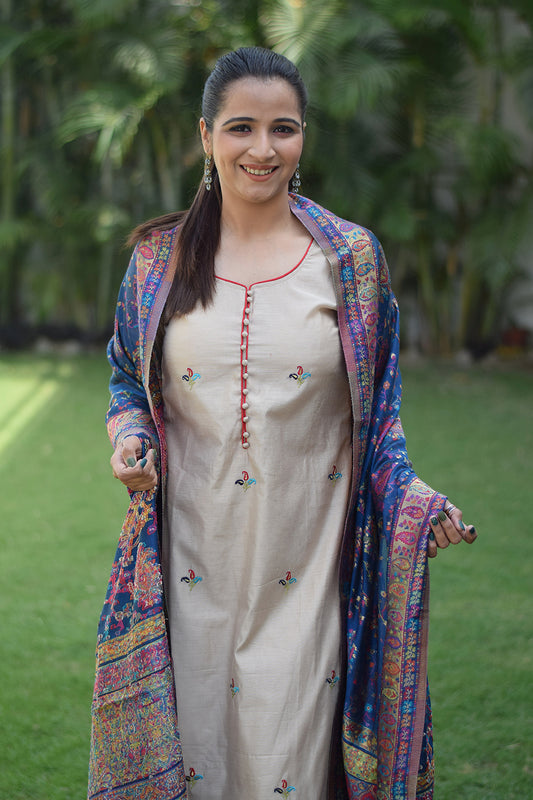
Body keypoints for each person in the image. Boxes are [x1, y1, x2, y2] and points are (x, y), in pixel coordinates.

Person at [88, 46, 477, 800]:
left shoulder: (351, 262)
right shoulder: (157, 263)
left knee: (289, 768)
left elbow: (383, 425)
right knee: (195, 761)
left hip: (310, 581)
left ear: (303, 137)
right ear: (205, 137)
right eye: (240, 128)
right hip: (186, 576)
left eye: (282, 129)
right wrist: (127, 442)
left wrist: (415, 502)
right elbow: (125, 380)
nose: (261, 149)